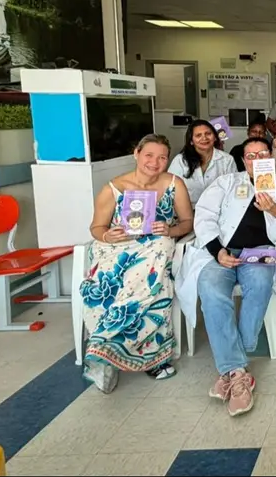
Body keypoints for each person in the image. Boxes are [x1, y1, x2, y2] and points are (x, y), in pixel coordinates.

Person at [181, 137, 276, 416]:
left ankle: (232, 367)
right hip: (222, 252)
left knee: (260, 284)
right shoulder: (227, 182)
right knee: (210, 289)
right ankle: (238, 371)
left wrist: (272, 207)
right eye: (251, 156)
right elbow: (204, 217)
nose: (257, 159)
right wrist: (217, 251)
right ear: (244, 161)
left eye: (263, 154)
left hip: (259, 252)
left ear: (271, 158)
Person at [82, 134, 194, 393]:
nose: (155, 162)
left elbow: (188, 222)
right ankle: (107, 355)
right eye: (149, 155)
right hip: (117, 250)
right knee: (106, 284)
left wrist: (170, 230)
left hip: (156, 250)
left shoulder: (174, 184)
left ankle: (116, 350)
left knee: (158, 258)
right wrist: (108, 236)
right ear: (136, 154)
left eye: (162, 157)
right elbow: (96, 228)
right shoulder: (114, 188)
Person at [169, 120, 237, 206]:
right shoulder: (180, 160)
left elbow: (233, 189)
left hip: (218, 210)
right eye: (198, 135)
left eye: (208, 134)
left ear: (215, 137)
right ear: (191, 141)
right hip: (187, 210)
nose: (204, 138)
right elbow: (170, 190)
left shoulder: (227, 159)